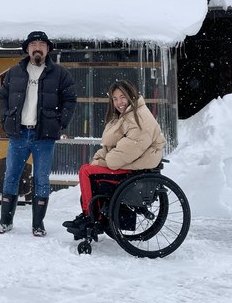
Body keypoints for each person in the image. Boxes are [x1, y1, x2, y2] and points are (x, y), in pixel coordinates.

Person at [0, 31, 77, 237]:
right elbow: (3, 95)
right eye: (33, 44)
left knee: (41, 179)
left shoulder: (60, 74)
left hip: (44, 136)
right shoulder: (15, 72)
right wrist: (6, 118)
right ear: (27, 49)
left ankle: (38, 224)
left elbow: (70, 100)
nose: (37, 47)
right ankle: (5, 221)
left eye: (41, 44)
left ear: (47, 49)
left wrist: (59, 122)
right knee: (11, 177)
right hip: (19, 134)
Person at [63, 79, 166, 236]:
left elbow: (126, 152)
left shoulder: (139, 118)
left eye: (122, 97)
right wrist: (100, 159)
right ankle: (93, 216)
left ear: (131, 95)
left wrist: (104, 161)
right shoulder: (127, 115)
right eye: (115, 99)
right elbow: (112, 146)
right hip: (130, 164)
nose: (119, 102)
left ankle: (90, 218)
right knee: (91, 170)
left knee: (86, 171)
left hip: (135, 169)